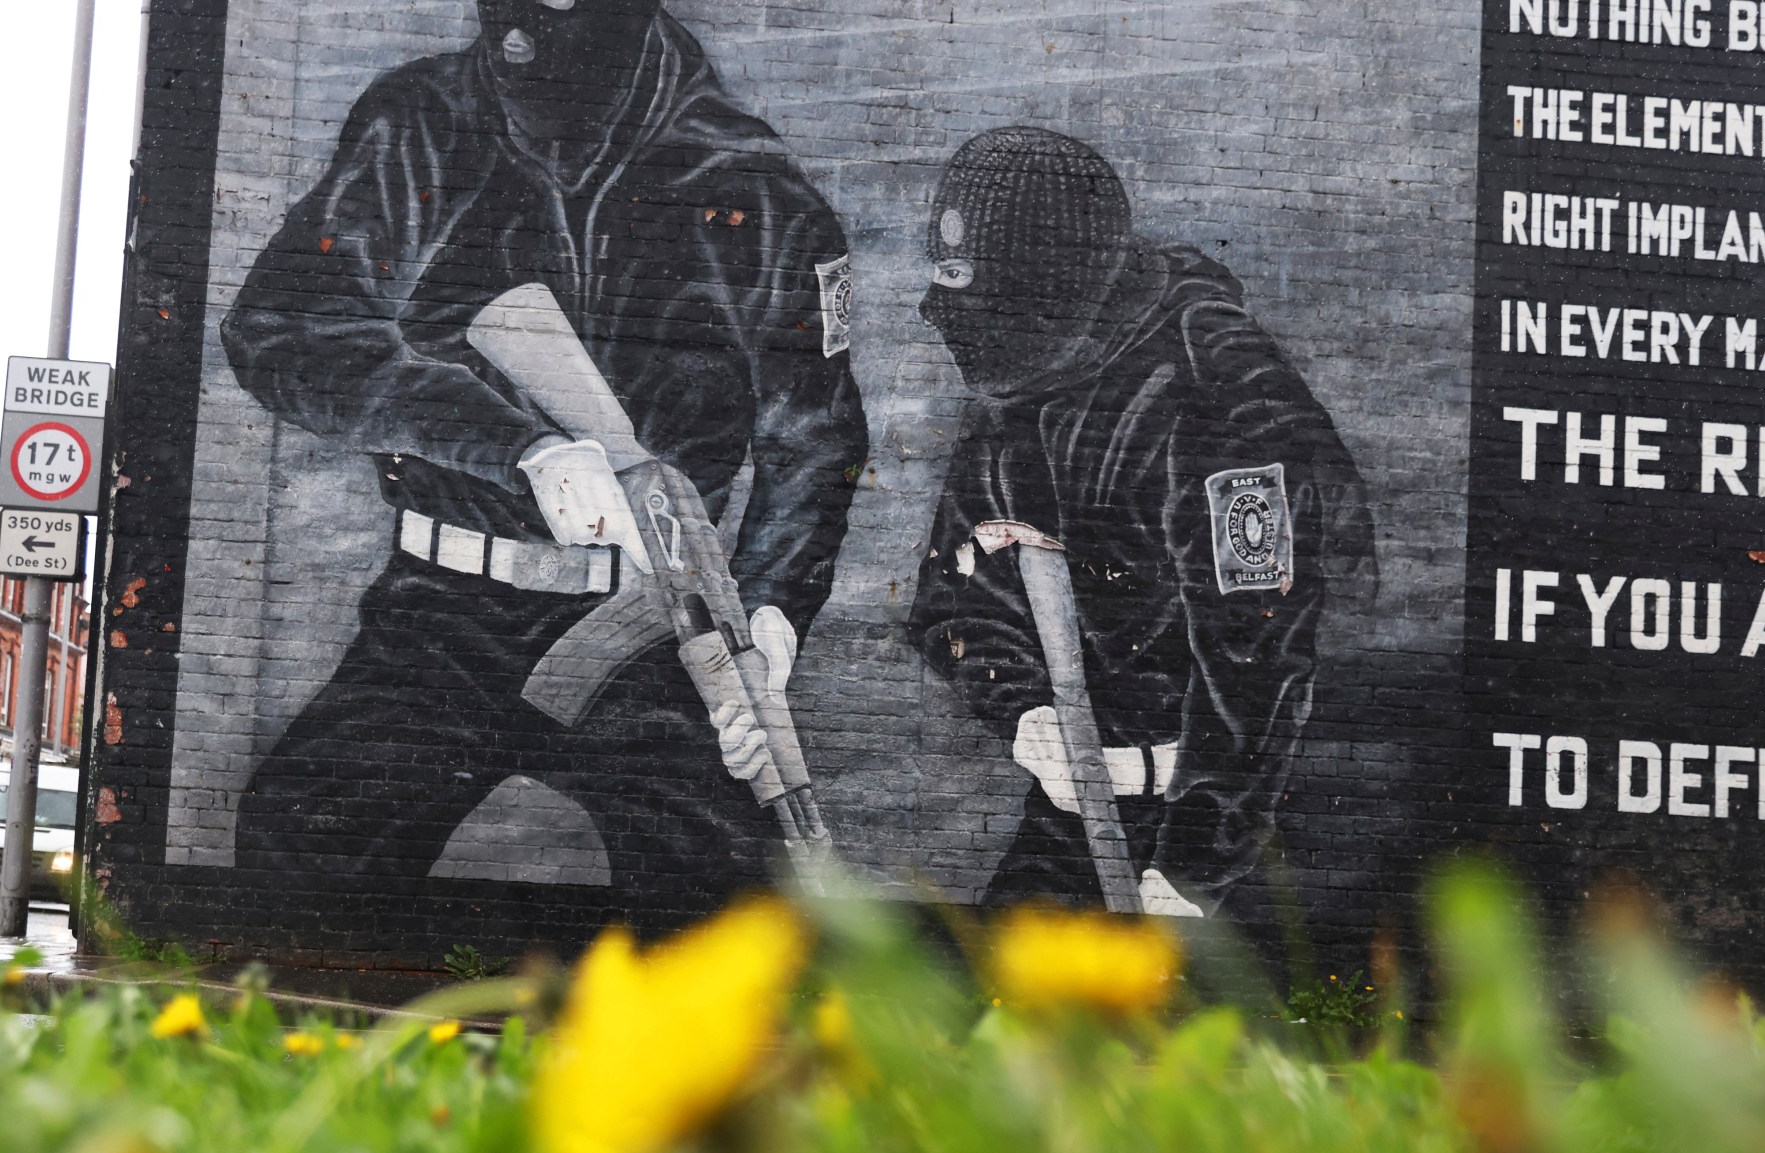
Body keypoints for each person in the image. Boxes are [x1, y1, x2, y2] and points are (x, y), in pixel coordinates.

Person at [219, 0, 867, 919]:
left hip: (653, 620)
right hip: (440, 612)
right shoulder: (421, 127)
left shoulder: (754, 188)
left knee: (728, 903)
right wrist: (517, 447)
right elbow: (284, 329)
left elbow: (817, 436)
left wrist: (765, 617)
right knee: (297, 840)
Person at [910, 127, 1373, 915]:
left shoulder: (1223, 409)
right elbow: (954, 591)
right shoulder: (1021, 388)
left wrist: (1192, 868)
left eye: (971, 285)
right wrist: (1026, 713)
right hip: (1096, 796)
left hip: (1246, 815)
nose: (936, 312)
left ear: (1043, 289)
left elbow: (1261, 662)